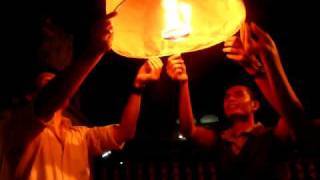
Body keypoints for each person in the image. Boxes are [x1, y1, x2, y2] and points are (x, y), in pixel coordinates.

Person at [0, 10, 163, 180]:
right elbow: (47, 102)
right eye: (48, 83)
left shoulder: (80, 136)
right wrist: (94, 51)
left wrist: (138, 86)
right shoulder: (17, 127)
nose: (61, 87)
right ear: (30, 97)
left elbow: (125, 132)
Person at [166, 22, 304, 179]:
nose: (230, 99)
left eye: (238, 94)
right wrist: (183, 83)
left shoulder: (271, 136)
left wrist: (259, 66)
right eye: (227, 97)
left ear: (255, 105)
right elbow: (188, 130)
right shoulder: (220, 141)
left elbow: (293, 116)